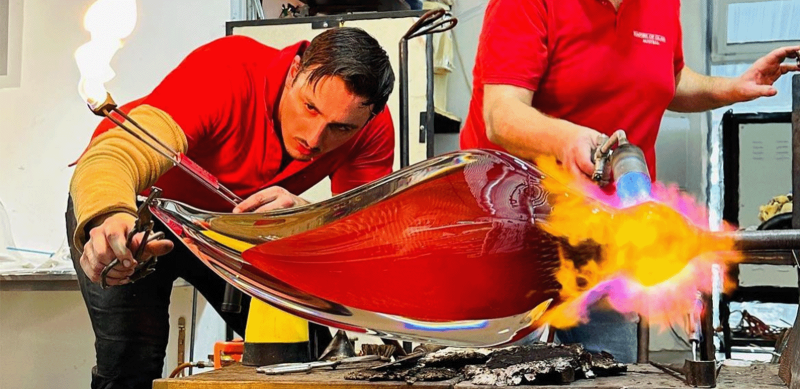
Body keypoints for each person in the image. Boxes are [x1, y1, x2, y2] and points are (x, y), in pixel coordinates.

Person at [460, 0, 799, 362]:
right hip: (512, 227)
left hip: (608, 230)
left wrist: (732, 87)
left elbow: (668, 79)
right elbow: (502, 114)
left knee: (609, 365)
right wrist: (566, 140)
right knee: (504, 367)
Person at [66, 27, 395, 388]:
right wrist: (108, 215)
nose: (315, 139)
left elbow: (360, 231)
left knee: (305, 351)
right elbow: (113, 156)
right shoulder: (227, 71)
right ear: (294, 71)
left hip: (227, 228)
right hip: (134, 209)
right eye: (309, 107)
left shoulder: (372, 130)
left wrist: (303, 218)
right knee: (130, 361)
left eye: (341, 128)